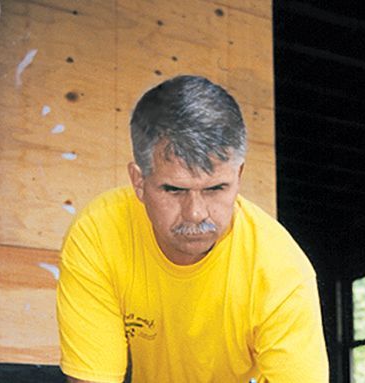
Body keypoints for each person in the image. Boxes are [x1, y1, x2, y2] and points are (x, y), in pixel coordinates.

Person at [57, 75, 329, 382]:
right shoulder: (99, 235)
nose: (196, 214)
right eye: (174, 190)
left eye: (215, 189)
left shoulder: (281, 271)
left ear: (238, 176)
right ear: (139, 182)